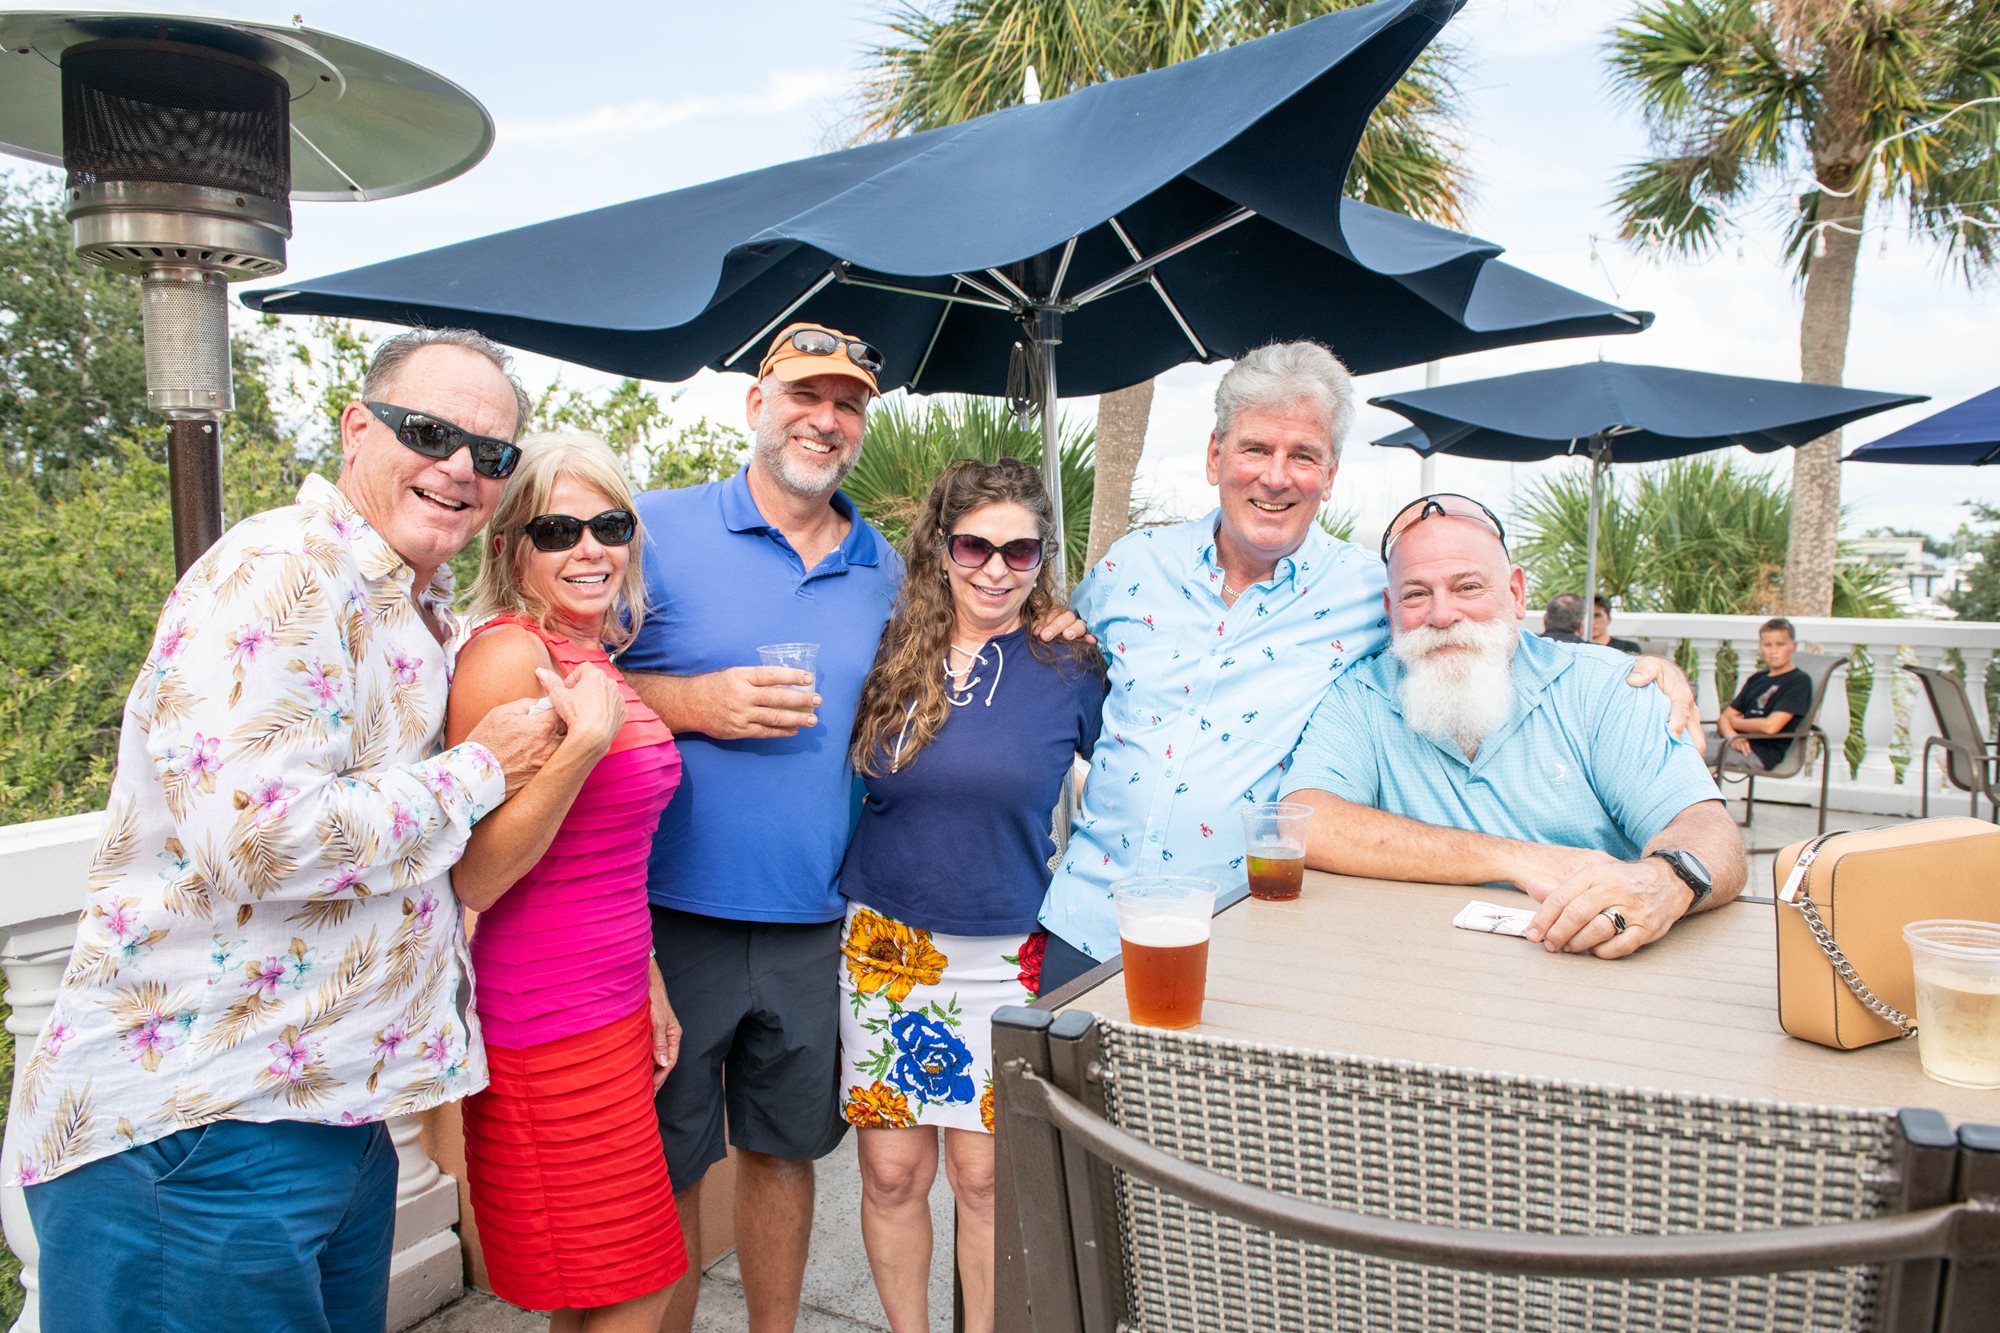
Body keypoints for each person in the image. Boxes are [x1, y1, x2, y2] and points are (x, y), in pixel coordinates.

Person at [6, 329, 566, 1332]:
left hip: (322, 1112)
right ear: (356, 428)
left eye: (490, 453)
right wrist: (484, 768)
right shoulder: (282, 571)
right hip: (198, 1128)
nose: (459, 467)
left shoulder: (406, 602)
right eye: (428, 432)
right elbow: (258, 840)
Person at [1034, 342, 1699, 996]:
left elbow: (1472, 629)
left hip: (1236, 939)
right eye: (1255, 449)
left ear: (1330, 475)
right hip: (1085, 917)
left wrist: (1647, 674)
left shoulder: (1375, 594)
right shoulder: (1130, 566)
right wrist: (1047, 627)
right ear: (1215, 455)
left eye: (1304, 456)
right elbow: (1063, 669)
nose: (1276, 476)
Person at [619, 322, 896, 1333]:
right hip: (667, 918)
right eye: (804, 396)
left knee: (784, 1153)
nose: (825, 419)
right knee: (671, 1163)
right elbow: (563, 672)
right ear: (755, 404)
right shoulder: (651, 529)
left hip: (815, 920)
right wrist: (695, 703)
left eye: (847, 404)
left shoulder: (888, 567)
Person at [838, 459, 1106, 1333]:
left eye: (1020, 550)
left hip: (1009, 955)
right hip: (885, 950)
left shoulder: (1072, 665)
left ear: (1042, 555)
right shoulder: (883, 648)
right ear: (940, 548)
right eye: (975, 546)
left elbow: (1138, 782)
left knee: (986, 1182)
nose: (996, 569)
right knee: (891, 1175)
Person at [446, 430, 688, 1331]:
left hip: (610, 1003)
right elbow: (476, 875)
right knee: (639, 1279)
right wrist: (583, 744)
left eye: (609, 525)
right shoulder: (510, 657)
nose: (589, 549)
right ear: (512, 548)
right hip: (545, 1021)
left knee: (599, 1280)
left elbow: (605, 855)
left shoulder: (589, 655)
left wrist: (649, 982)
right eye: (558, 530)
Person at [1281, 494, 1746, 959]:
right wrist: (1519, 858)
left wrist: (1665, 881)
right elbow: (1306, 823)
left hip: (1591, 967)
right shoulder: (1361, 694)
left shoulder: (1607, 686)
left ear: (1517, 594)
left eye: (1467, 587)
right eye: (1416, 594)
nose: (1442, 615)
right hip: (1410, 961)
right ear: (1391, 608)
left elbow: (1707, 828)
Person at [1708, 617, 1813, 772]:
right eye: (1767, 645)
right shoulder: (1757, 679)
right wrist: (1731, 736)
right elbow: (1723, 718)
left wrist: (1735, 722)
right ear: (1760, 646)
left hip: (1756, 751)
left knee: (1689, 753)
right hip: (1730, 739)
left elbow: (1770, 727)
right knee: (1678, 743)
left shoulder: (1798, 681)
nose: (1773, 651)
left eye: (1780, 644)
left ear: (1793, 646)